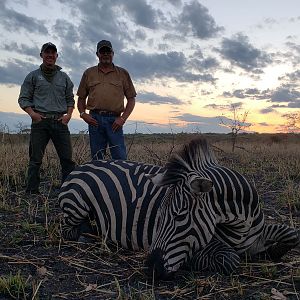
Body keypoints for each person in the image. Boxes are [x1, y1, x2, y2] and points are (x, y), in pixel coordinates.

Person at [18, 42, 75, 194]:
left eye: (53, 52)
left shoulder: (64, 78)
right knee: (35, 159)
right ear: (41, 55)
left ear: (57, 56)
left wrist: (68, 116)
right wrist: (33, 114)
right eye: (47, 52)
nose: (50, 55)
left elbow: (70, 99)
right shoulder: (33, 76)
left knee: (67, 159)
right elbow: (23, 98)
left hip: (60, 122)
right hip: (40, 122)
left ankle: (68, 191)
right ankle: (32, 191)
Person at [77, 40, 136, 160]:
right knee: (97, 158)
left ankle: (121, 179)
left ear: (113, 53)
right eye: (102, 51)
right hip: (95, 120)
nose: (105, 54)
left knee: (120, 157)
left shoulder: (123, 73)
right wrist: (83, 114)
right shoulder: (89, 73)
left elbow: (131, 99)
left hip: (115, 121)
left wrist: (123, 118)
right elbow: (81, 98)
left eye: (108, 51)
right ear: (97, 54)